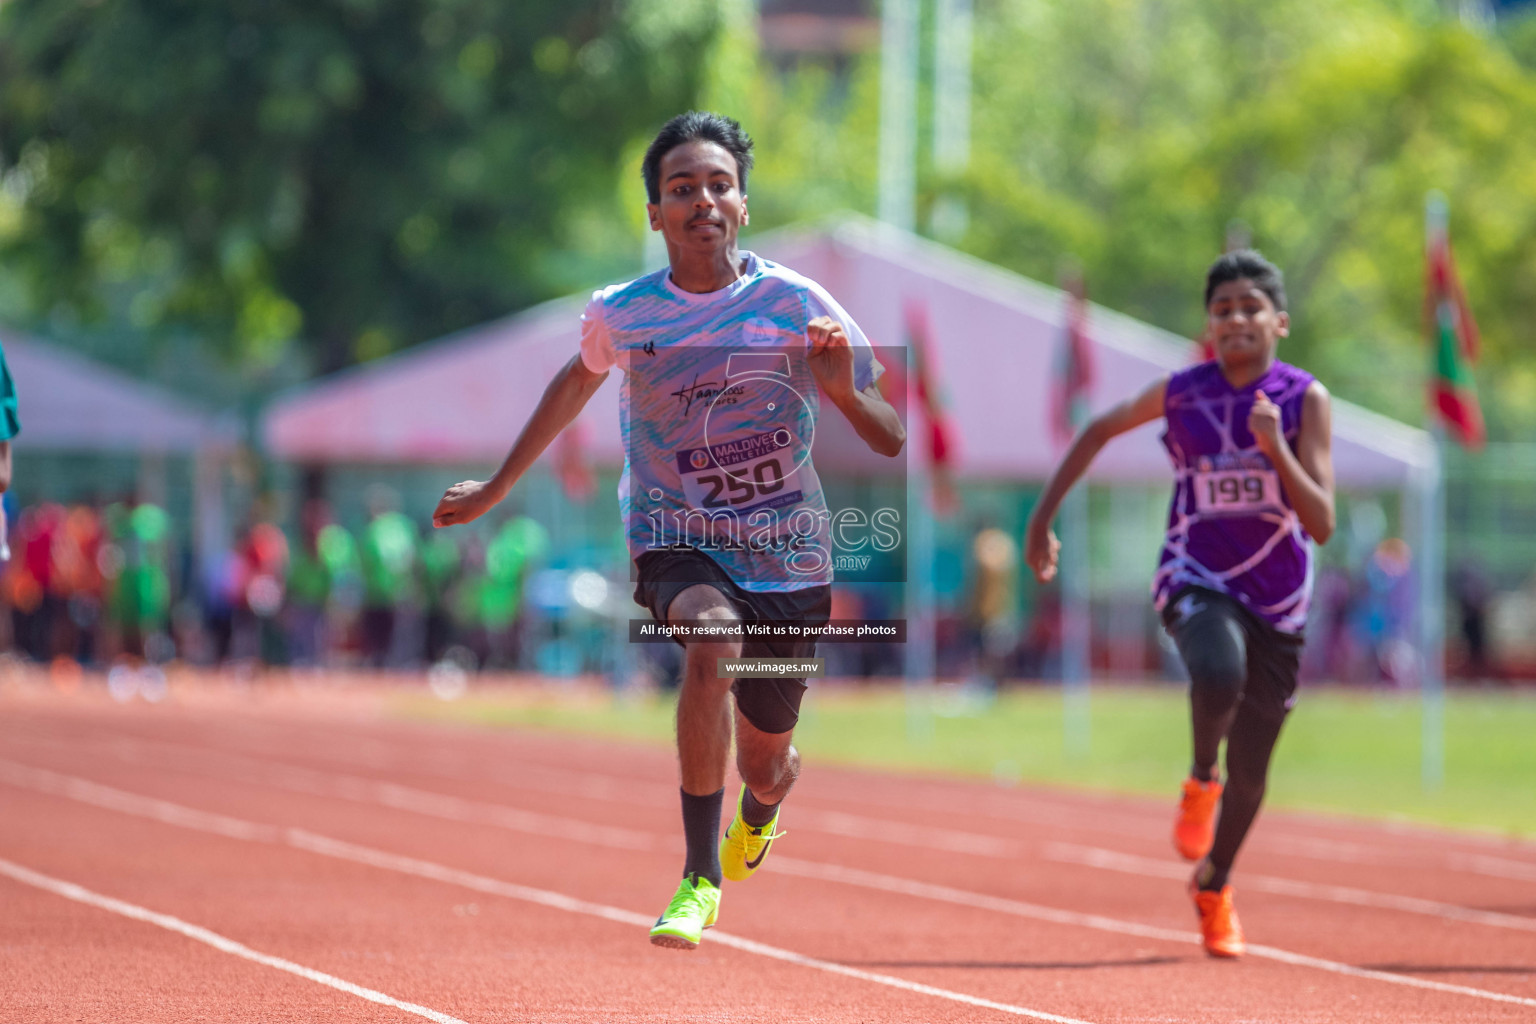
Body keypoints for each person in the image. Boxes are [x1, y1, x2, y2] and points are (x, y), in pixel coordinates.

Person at [433, 111, 904, 949]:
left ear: (744, 204)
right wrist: (499, 484)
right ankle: (698, 878)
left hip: (790, 560)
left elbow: (890, 434)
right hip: (674, 538)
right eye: (681, 189)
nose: (702, 201)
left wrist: (841, 388)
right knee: (710, 644)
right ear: (654, 214)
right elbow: (572, 389)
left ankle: (760, 811)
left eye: (718, 185)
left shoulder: (797, 302)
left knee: (769, 762)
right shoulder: (624, 313)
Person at [1025, 250, 1334, 958]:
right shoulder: (1183, 392)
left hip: (1280, 600)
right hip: (1196, 574)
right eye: (1223, 309)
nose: (1236, 320)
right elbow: (1099, 429)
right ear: (1209, 324)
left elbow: (1321, 523)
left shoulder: (1302, 399)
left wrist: (1275, 450)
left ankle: (1214, 882)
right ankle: (1200, 777)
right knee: (1217, 674)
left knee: (1254, 772)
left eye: (1251, 308)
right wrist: (1042, 519)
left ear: (1279, 322)